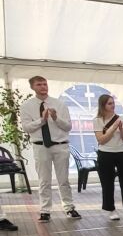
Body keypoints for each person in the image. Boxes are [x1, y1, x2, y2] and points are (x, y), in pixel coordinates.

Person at [21, 75, 80, 222]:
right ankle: (45, 210)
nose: (43, 87)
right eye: (39, 84)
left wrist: (55, 118)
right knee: (44, 180)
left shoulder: (59, 104)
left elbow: (68, 126)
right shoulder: (26, 106)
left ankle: (69, 207)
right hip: (41, 146)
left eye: (45, 84)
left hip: (60, 145)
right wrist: (42, 120)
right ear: (32, 87)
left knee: (63, 180)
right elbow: (26, 127)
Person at [93, 94, 123, 220]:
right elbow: (101, 140)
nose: (112, 105)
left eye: (113, 103)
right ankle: (111, 209)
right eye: (109, 103)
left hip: (122, 152)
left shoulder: (122, 119)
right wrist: (113, 128)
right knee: (107, 183)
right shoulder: (97, 120)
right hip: (105, 153)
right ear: (103, 105)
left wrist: (121, 129)